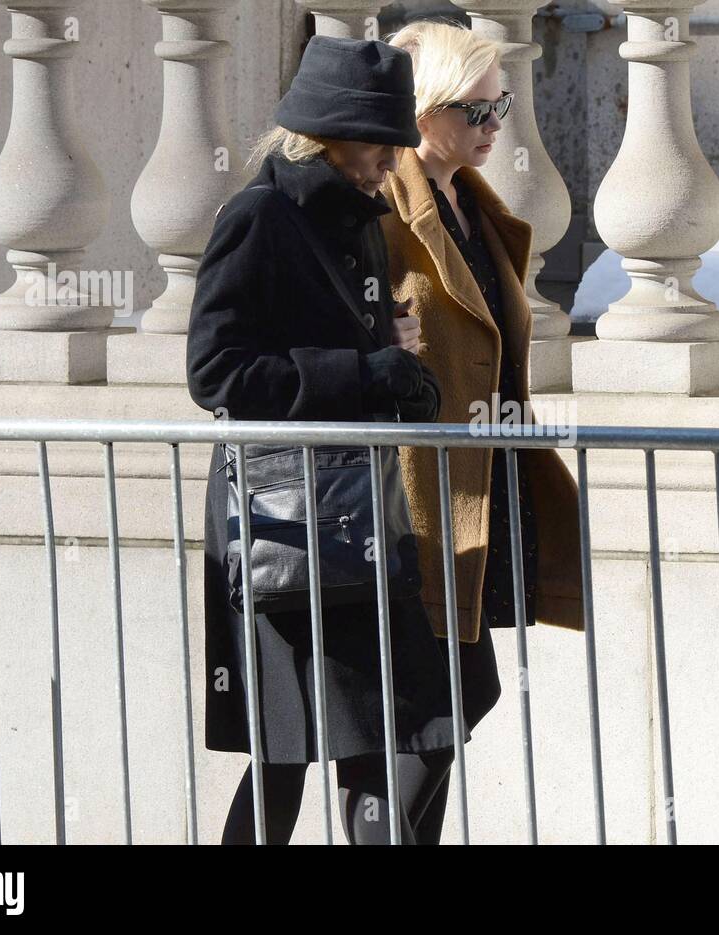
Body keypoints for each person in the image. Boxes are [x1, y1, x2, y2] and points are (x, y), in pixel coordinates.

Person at [186, 35, 463, 845]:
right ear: (330, 133)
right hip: (285, 519)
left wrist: (392, 354)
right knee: (290, 753)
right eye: (382, 143)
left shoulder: (359, 222)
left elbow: (342, 348)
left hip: (355, 520)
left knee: (372, 738)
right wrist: (361, 370)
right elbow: (216, 371)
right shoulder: (260, 216)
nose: (395, 161)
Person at [379, 19, 587, 750]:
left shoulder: (474, 208)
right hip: (407, 506)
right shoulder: (382, 209)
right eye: (476, 110)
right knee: (427, 715)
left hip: (481, 485)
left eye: (498, 106)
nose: (495, 124)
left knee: (446, 708)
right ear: (423, 108)